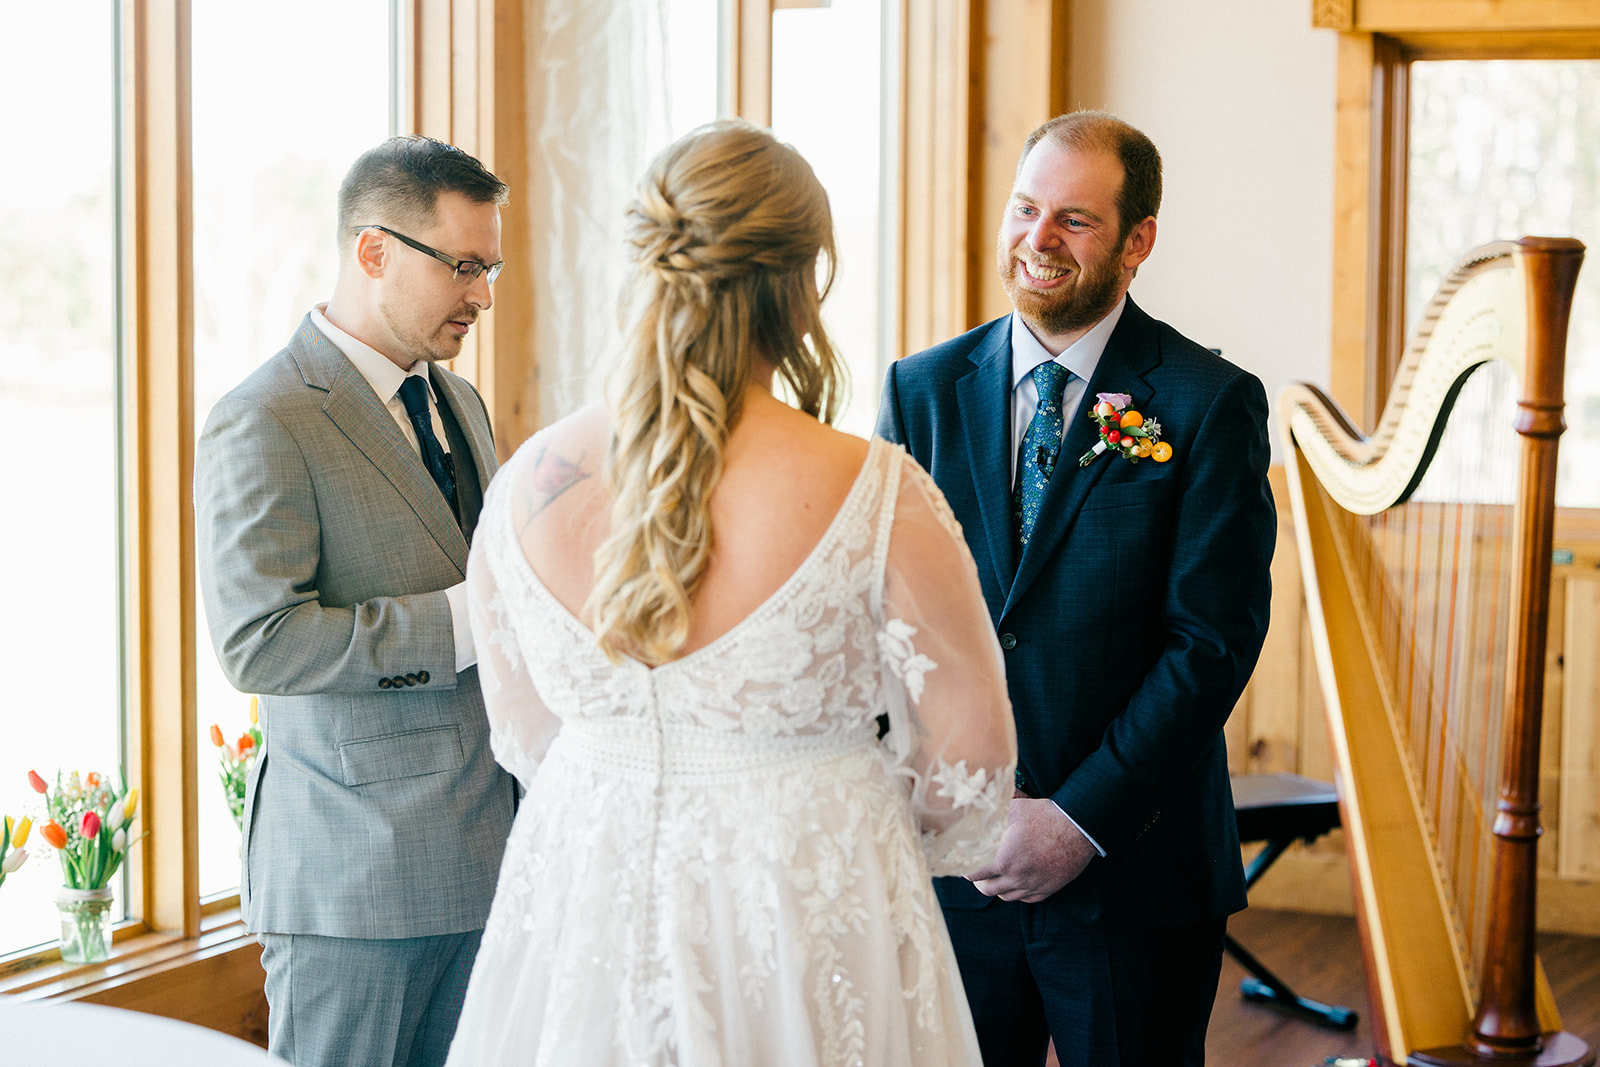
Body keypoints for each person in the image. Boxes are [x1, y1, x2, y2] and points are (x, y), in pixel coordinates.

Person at [443, 119, 1016, 1066]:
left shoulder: (528, 483)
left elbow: (526, 733)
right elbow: (972, 777)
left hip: (587, 900)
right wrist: (831, 809)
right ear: (801, 283)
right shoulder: (875, 493)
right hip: (805, 912)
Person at [875, 110, 1275, 1066]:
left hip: (1133, 870)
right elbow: (884, 616)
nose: (1038, 241)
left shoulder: (1207, 402)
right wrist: (949, 797)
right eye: (1025, 209)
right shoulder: (919, 389)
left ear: (1138, 241)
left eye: (1076, 221)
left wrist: (1079, 817)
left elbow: (1210, 642)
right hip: (952, 869)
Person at [195, 136, 519, 1067]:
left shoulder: (462, 404)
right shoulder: (263, 418)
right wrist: (464, 623)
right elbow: (261, 642)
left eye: (489, 266)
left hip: (489, 862)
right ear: (373, 250)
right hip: (352, 888)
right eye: (463, 266)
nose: (483, 295)